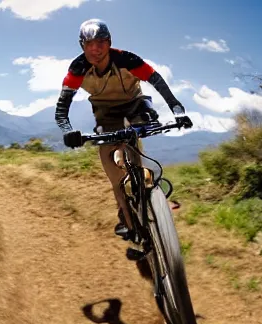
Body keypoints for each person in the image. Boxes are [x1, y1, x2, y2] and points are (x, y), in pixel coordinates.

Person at [55, 18, 193, 240]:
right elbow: (62, 109)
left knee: (136, 145)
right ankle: (127, 218)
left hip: (135, 105)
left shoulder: (127, 59)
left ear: (109, 43)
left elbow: (156, 80)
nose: (95, 49)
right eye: (89, 44)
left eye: (100, 42)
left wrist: (177, 109)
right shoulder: (78, 68)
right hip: (106, 114)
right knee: (112, 169)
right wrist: (67, 130)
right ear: (82, 46)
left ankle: (153, 192)